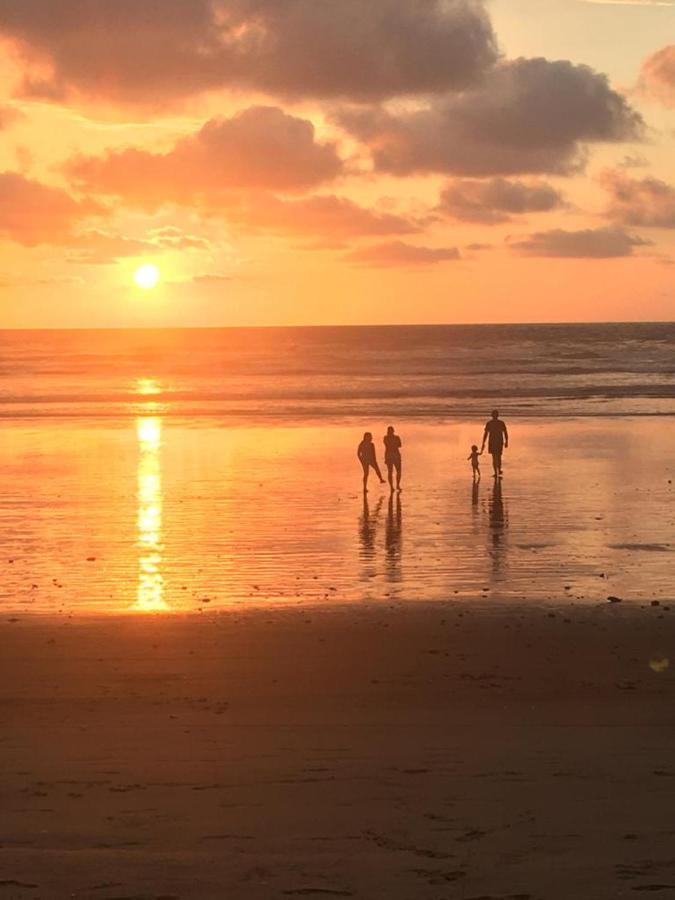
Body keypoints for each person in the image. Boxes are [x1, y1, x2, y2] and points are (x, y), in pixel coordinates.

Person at [481, 409, 508, 478]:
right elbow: (505, 432)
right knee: (498, 457)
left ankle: (496, 472)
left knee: (494, 457)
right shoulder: (501, 423)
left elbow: (486, 433)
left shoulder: (489, 423)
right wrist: (506, 441)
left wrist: (483, 442)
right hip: (499, 441)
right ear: (497, 415)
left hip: (492, 441)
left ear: (492, 415)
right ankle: (498, 470)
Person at [383, 425, 402, 492]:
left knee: (398, 471)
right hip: (390, 455)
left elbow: (400, 445)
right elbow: (388, 445)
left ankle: (397, 485)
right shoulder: (386, 438)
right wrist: (394, 443)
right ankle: (392, 486)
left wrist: (393, 443)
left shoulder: (396, 437)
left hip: (395, 455)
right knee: (390, 472)